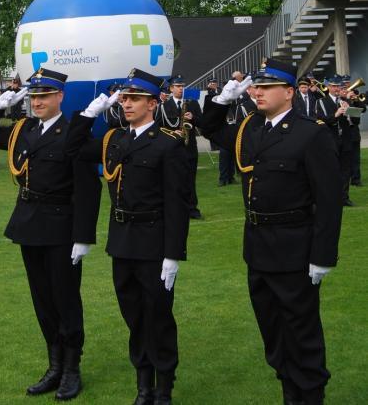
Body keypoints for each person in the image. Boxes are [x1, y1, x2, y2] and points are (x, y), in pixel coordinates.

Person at [199, 58, 342, 405]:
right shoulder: (252, 129)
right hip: (258, 249)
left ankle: (309, 395)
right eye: (255, 87)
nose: (257, 92)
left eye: (265, 87)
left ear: (289, 92)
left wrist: (322, 256)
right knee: (273, 331)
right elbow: (208, 130)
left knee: (302, 333)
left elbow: (329, 200)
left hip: (295, 250)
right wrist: (221, 100)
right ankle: (289, 391)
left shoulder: (311, 134)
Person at [0, 68, 101, 401]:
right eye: (33, 96)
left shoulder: (72, 131)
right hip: (29, 223)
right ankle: (54, 366)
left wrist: (83, 236)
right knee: (42, 301)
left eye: (44, 96)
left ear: (60, 97)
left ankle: (72, 369)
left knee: (65, 300)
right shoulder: (25, 130)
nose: (37, 102)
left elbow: (88, 188)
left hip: (61, 227)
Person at [78, 68, 191, 405]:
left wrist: (173, 255)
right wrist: (90, 112)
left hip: (154, 242)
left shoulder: (168, 145)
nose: (126, 104)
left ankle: (164, 387)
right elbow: (74, 147)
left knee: (158, 315)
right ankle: (144, 384)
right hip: (123, 241)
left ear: (152, 104)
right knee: (134, 315)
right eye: (124, 98)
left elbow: (177, 204)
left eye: (134, 99)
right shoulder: (116, 139)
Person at [155, 75, 202, 219]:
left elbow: (203, 123)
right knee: (173, 181)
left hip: (189, 148)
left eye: (182, 86)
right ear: (171, 88)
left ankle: (192, 208)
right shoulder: (164, 106)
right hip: (172, 150)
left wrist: (193, 118)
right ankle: (175, 209)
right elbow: (157, 127)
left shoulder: (192, 104)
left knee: (190, 180)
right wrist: (171, 132)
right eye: (178, 86)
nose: (181, 89)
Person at [315, 76, 354, 206]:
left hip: (346, 140)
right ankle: (332, 197)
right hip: (331, 141)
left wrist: (349, 112)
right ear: (329, 87)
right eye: (334, 86)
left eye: (338, 86)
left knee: (345, 170)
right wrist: (336, 115)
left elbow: (355, 122)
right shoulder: (321, 102)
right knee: (331, 170)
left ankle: (344, 197)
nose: (337, 89)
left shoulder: (344, 100)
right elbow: (320, 121)